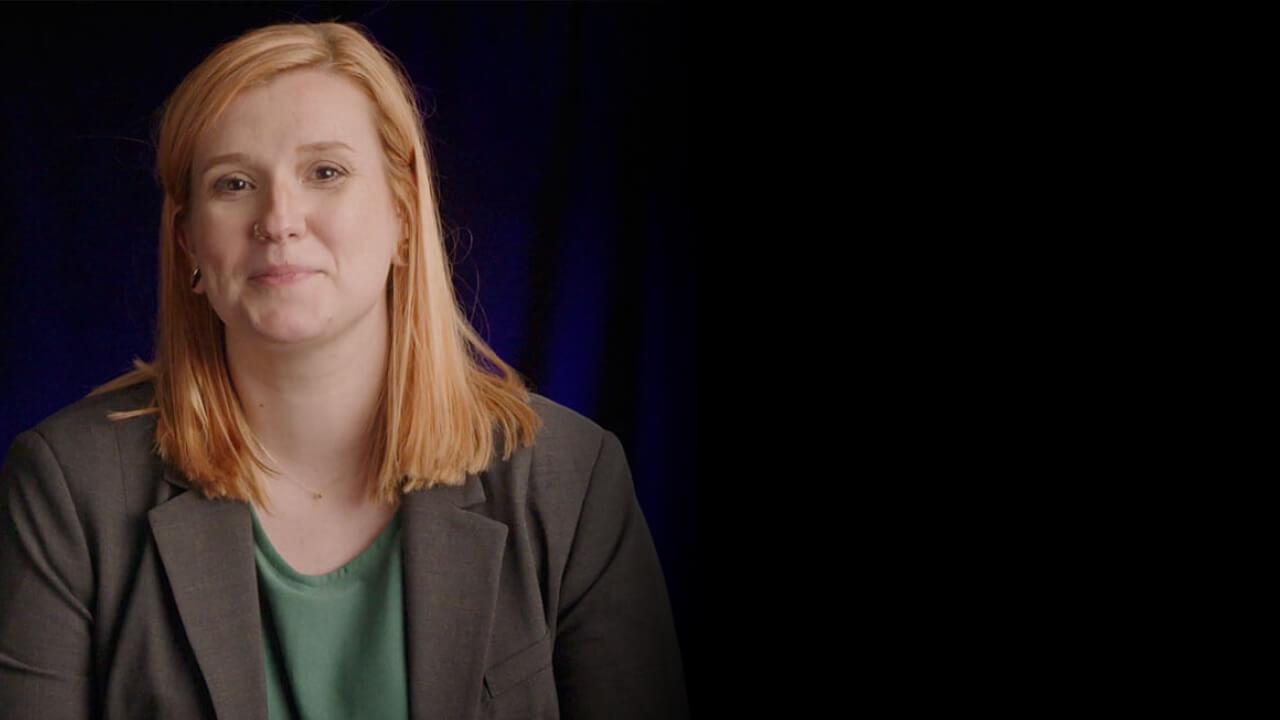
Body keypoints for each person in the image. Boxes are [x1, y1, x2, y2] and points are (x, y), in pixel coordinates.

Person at [0, 20, 689, 720]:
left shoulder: (571, 480)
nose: (279, 220)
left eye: (325, 172)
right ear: (188, 245)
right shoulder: (69, 487)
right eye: (234, 183)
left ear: (403, 213)